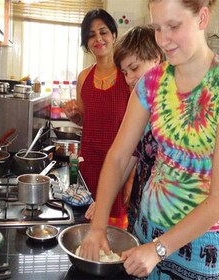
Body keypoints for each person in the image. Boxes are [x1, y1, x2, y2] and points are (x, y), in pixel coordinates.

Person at [78, 0, 219, 279]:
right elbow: (118, 156)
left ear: (202, 18)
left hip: (199, 247)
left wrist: (158, 249)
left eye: (173, 26)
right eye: (156, 28)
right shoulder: (151, 82)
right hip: (145, 231)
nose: (163, 40)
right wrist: (98, 227)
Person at [85, 25, 164, 234]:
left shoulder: (173, 104)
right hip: (142, 217)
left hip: (170, 227)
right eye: (125, 72)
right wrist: (103, 203)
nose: (129, 78)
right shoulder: (143, 105)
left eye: (134, 68)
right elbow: (124, 158)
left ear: (156, 58)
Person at [63, 8, 130, 229]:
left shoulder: (127, 76)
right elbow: (85, 120)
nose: (98, 39)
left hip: (120, 166)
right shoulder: (84, 77)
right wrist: (75, 116)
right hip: (89, 164)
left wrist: (131, 179)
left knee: (114, 230)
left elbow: (137, 131)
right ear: (86, 42)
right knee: (85, 225)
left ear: (113, 35)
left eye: (103, 32)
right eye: (91, 35)